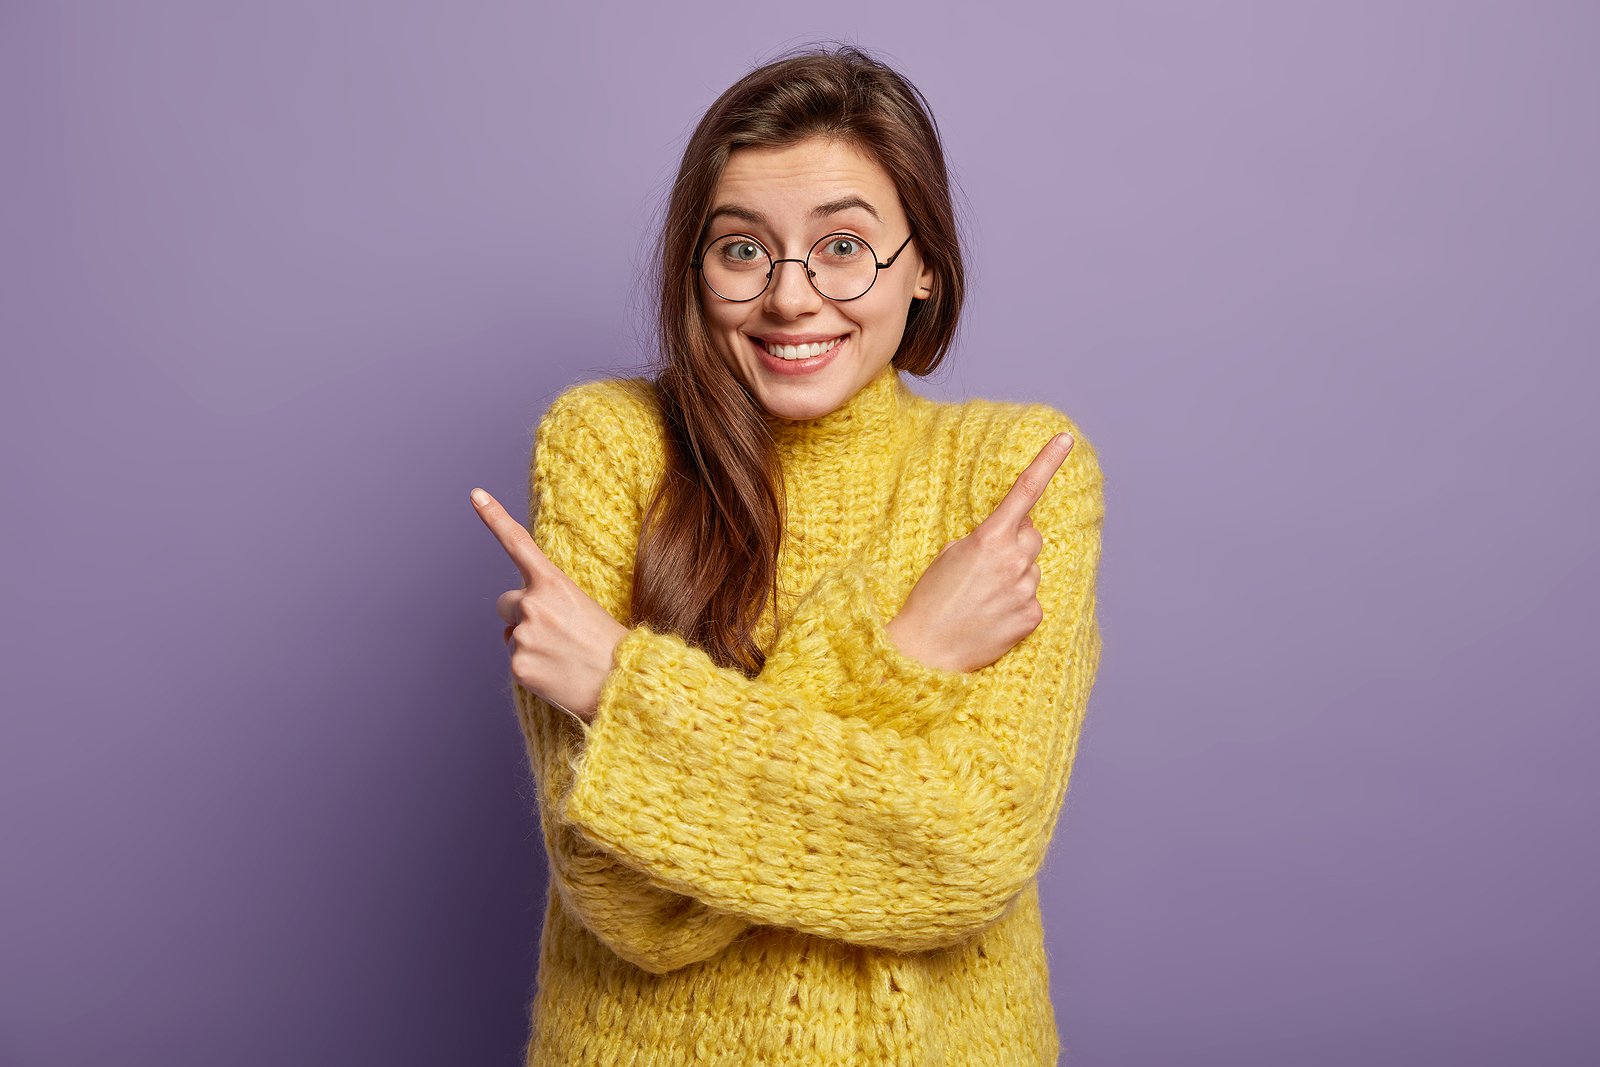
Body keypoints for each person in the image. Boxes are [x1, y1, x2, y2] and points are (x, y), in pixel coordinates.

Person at [471, 46, 1103, 1067]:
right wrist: (904, 652)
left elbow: (968, 853)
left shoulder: (1012, 472)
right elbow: (624, 898)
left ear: (925, 265)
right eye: (741, 250)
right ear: (695, 266)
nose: (791, 298)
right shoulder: (608, 444)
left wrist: (623, 691)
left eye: (844, 245)